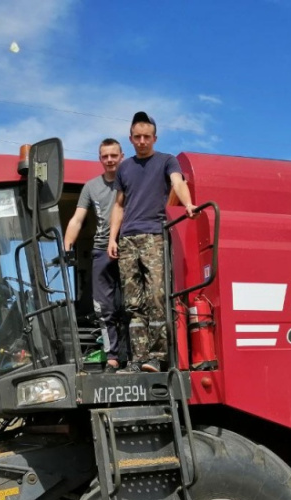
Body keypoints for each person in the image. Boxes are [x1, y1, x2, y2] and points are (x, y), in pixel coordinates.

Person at [108, 111, 196, 373]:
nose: (142, 141)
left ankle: (157, 357)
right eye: (137, 137)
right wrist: (113, 238)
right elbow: (118, 206)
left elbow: (177, 183)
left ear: (155, 138)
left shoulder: (167, 161)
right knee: (132, 303)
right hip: (127, 239)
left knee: (156, 295)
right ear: (131, 139)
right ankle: (137, 359)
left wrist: (188, 203)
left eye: (147, 137)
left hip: (154, 235)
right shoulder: (124, 168)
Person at [64, 138, 125, 372]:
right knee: (104, 307)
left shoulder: (130, 182)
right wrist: (67, 247)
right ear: (100, 159)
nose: (109, 160)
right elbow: (78, 218)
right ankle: (112, 357)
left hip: (129, 245)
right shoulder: (91, 187)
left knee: (130, 305)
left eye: (113, 155)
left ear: (122, 156)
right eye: (105, 156)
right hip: (101, 249)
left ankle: (134, 355)